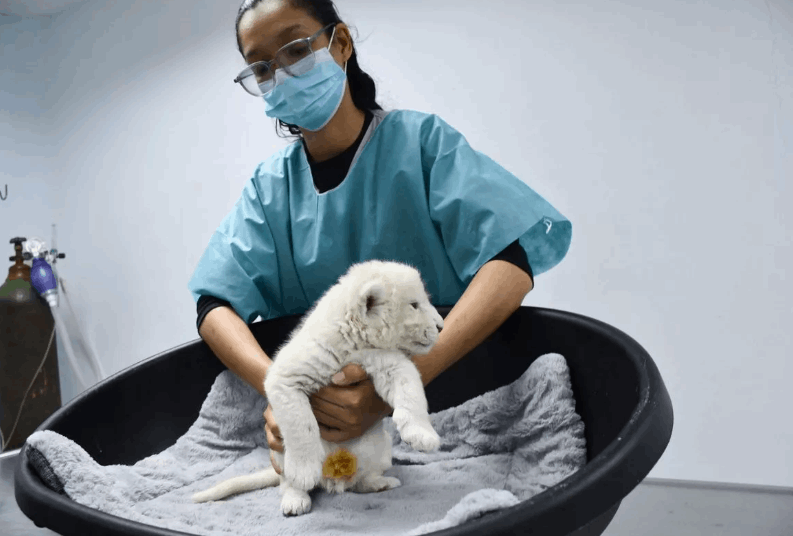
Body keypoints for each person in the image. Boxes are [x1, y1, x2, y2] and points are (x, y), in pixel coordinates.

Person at [188, 0, 573, 475]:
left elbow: (509, 265)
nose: (281, 75)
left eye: (295, 50)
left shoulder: (421, 144)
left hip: (452, 396)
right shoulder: (270, 191)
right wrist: (286, 390)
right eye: (262, 68)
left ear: (341, 43)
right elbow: (214, 306)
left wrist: (398, 390)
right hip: (332, 423)